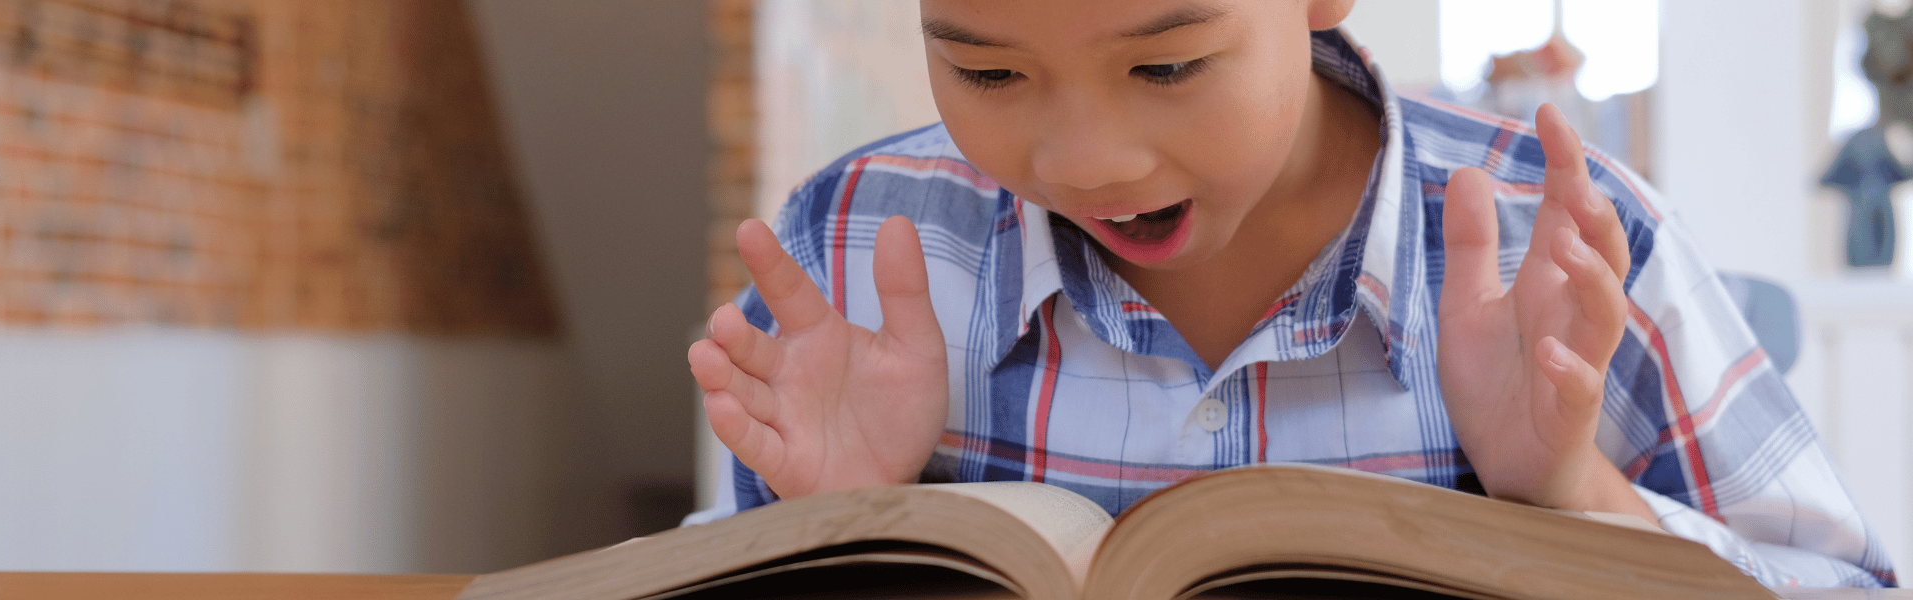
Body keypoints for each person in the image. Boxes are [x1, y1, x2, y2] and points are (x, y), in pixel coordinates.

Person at [684, 0, 1897, 587]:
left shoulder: (1570, 242)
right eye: (985, 68)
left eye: (1166, 64)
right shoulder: (850, 244)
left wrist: (1572, 496)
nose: (1080, 160)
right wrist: (837, 538)